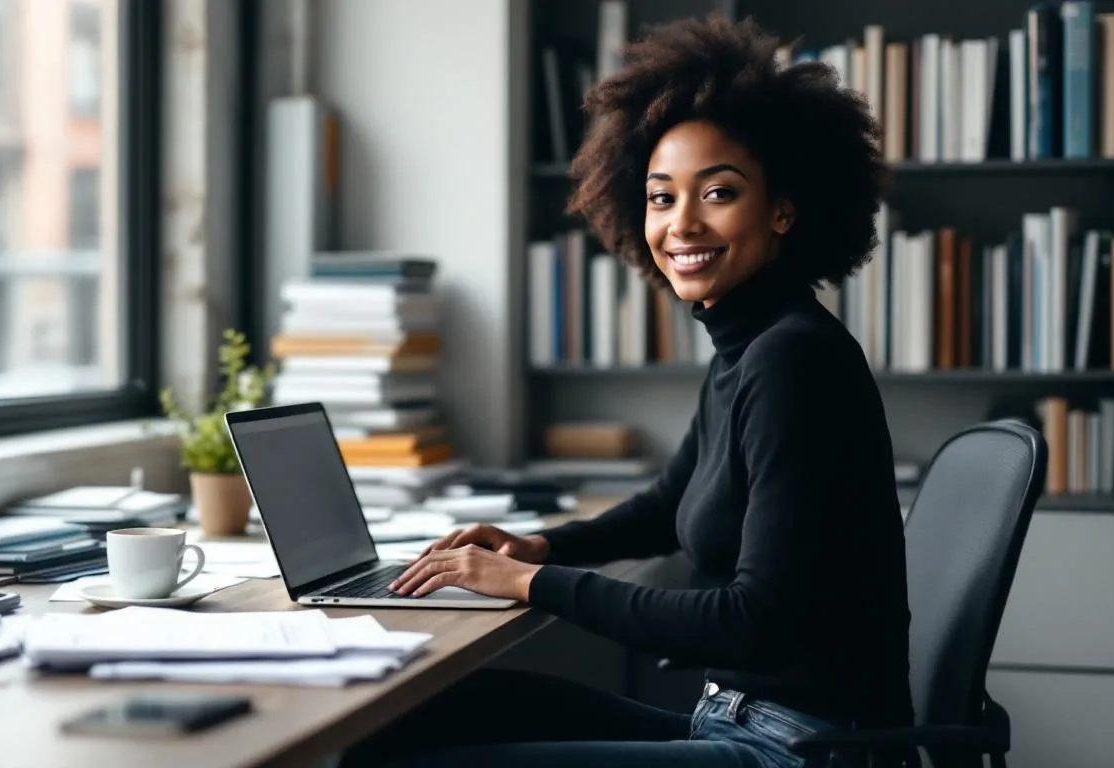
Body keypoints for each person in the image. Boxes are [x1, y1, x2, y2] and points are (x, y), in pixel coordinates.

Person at [342, 13, 912, 768]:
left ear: (782, 208)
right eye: (661, 197)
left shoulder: (793, 360)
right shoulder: (748, 347)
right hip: (740, 721)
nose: (683, 224)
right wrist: (543, 545)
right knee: (412, 719)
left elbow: (754, 622)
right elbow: (668, 507)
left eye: (718, 192)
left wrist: (532, 582)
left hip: (799, 749)